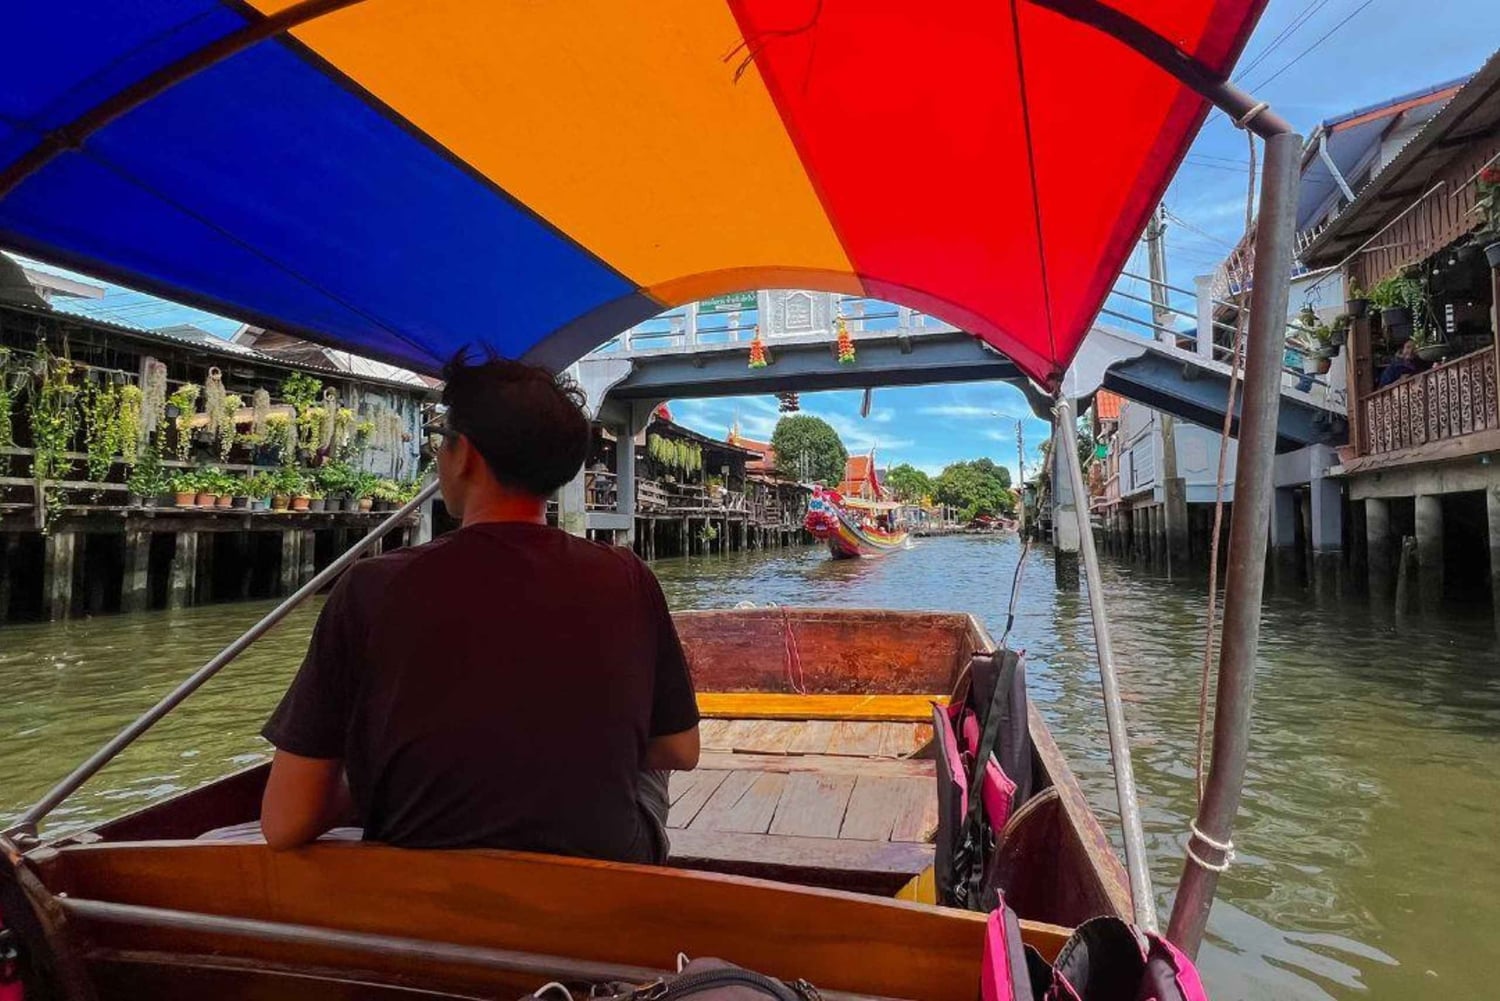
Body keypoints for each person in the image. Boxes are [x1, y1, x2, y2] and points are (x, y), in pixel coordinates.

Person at [258, 353, 700, 863]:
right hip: (599, 877)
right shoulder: (628, 576)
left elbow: (285, 821)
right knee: (649, 763)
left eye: (439, 442)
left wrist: (377, 778)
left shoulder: (371, 586)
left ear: (464, 454)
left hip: (423, 884)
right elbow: (680, 749)